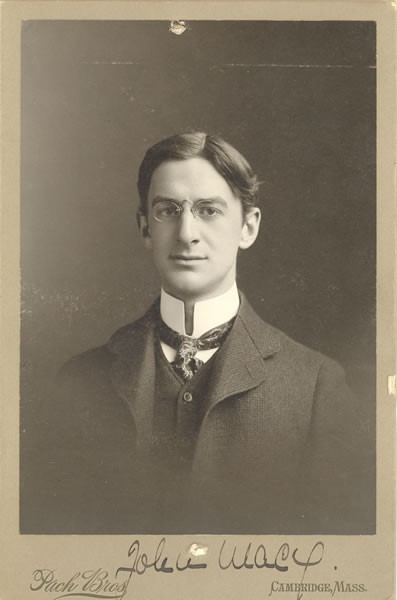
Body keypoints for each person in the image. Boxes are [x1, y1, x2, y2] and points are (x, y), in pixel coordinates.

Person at [32, 132, 371, 534]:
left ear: (248, 227)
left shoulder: (315, 386)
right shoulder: (80, 380)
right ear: (144, 229)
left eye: (208, 210)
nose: (186, 232)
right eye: (167, 210)